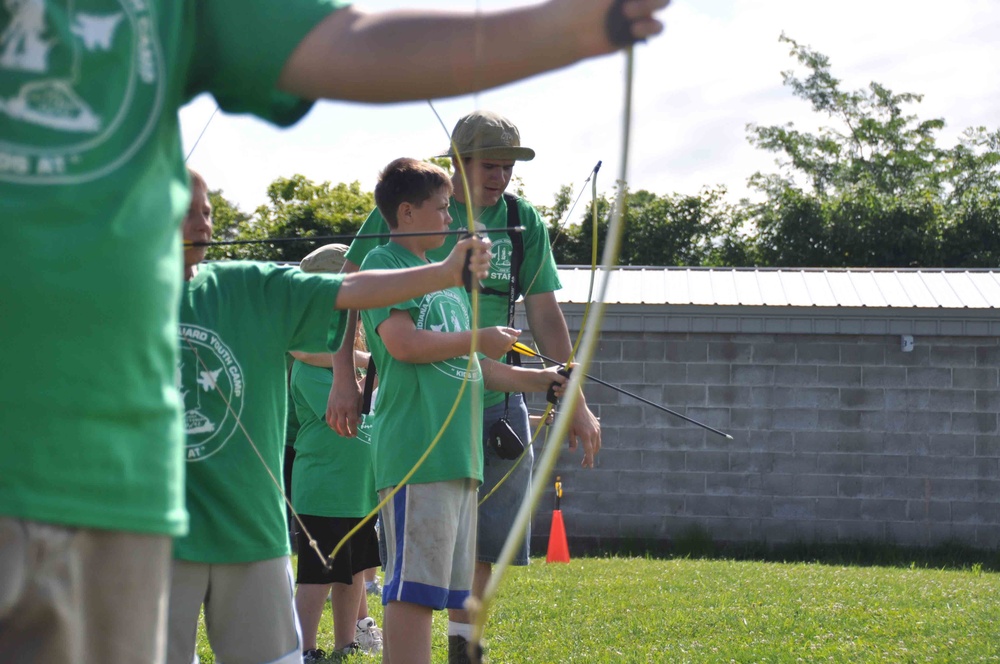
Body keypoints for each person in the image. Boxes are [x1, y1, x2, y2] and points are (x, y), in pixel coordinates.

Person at [0, 2, 670, 661]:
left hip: (121, 496)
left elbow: (346, 40)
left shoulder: (252, 283)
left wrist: (578, 24)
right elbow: (373, 311)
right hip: (391, 438)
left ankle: (466, 646)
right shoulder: (385, 248)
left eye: (206, 210)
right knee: (403, 582)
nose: (499, 176)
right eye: (478, 170)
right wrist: (385, 340)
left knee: (470, 551)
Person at [167, 170, 491, 664]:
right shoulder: (116, 299)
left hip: (251, 532)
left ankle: (346, 638)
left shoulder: (247, 284)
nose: (203, 223)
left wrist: (445, 274)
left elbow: (350, 289)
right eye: (187, 210)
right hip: (157, 531)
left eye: (209, 211)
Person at [331, 110, 602, 660]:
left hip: (484, 415)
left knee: (478, 542)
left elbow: (540, 320)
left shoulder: (517, 225)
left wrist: (561, 387)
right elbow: (352, 295)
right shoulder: (409, 218)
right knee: (416, 572)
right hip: (421, 418)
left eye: (508, 167)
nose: (500, 178)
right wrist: (344, 374)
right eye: (489, 166)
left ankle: (464, 645)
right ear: (455, 167)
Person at [289, 243, 383, 661]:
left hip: (360, 486)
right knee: (317, 575)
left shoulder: (350, 357)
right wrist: (376, 369)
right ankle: (304, 647)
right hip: (323, 485)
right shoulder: (309, 365)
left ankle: (346, 641)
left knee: (355, 572)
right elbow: (344, 410)